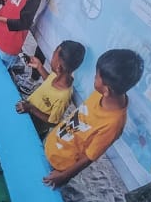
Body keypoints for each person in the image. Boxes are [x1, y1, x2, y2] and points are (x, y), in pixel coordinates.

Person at [42, 49, 144, 188]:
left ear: (106, 90)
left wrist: (64, 176)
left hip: (60, 165)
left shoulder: (113, 124)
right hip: (53, 141)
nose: (94, 78)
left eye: (96, 77)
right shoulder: (101, 93)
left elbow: (89, 157)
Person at [16, 40, 86, 137]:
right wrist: (39, 66)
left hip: (35, 126)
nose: (51, 57)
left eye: (53, 56)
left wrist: (31, 109)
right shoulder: (58, 75)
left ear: (58, 67)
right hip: (27, 109)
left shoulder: (63, 97)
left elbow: (52, 122)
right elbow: (48, 81)